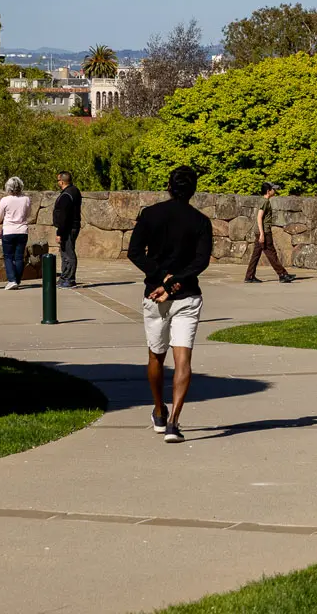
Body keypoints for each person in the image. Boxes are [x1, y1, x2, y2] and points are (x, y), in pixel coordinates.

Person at [127, 165, 214, 444]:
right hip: (187, 294)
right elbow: (200, 261)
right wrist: (175, 281)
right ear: (193, 190)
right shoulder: (201, 221)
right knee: (183, 359)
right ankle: (174, 423)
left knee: (156, 355)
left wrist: (160, 279)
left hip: (154, 296)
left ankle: (159, 410)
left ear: (168, 186)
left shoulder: (150, 215)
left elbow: (134, 252)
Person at [243, 181, 296, 283]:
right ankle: (282, 274)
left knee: (256, 255)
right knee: (271, 254)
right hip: (264, 231)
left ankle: (249, 276)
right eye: (273, 189)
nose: (275, 191)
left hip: (260, 231)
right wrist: (262, 234)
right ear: (268, 191)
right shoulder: (265, 202)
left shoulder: (263, 201)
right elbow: (259, 217)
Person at [0, 177, 32, 290]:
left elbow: (0, 216)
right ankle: (17, 279)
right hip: (22, 230)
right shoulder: (26, 199)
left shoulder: (5, 200)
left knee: (8, 256)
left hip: (8, 231)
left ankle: (12, 280)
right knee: (19, 257)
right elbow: (28, 214)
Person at [52, 170, 82, 288]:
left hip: (68, 228)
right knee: (65, 251)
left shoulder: (66, 195)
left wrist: (60, 232)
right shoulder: (74, 191)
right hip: (72, 226)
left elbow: (64, 215)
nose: (58, 182)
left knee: (68, 253)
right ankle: (64, 276)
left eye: (58, 180)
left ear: (62, 181)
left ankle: (69, 278)